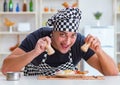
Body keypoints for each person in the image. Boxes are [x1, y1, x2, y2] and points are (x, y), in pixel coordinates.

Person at [1, 7, 119, 76]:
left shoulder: (79, 42)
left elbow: (113, 74)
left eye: (72, 35)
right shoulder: (38, 37)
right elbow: (6, 69)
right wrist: (34, 52)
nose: (67, 41)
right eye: (62, 35)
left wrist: (100, 51)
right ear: (52, 33)